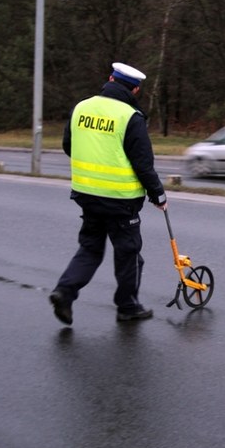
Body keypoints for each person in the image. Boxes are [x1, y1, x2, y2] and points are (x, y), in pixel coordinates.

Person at [49, 62, 167, 326]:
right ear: (135, 89)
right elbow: (143, 163)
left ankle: (64, 292)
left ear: (110, 79)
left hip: (86, 195)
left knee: (90, 248)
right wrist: (158, 194)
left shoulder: (81, 107)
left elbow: (69, 146)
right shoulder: (130, 116)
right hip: (121, 200)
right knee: (129, 254)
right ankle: (128, 307)